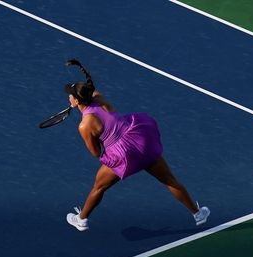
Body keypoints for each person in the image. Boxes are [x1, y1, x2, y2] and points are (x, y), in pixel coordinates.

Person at [62, 60, 209, 231]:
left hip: (124, 154)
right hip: (140, 139)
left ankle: (82, 220)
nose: (68, 96)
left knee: (99, 187)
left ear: (76, 101)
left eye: (71, 95)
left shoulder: (84, 125)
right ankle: (198, 214)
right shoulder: (98, 97)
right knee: (169, 179)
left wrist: (105, 141)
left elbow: (96, 152)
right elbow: (92, 91)